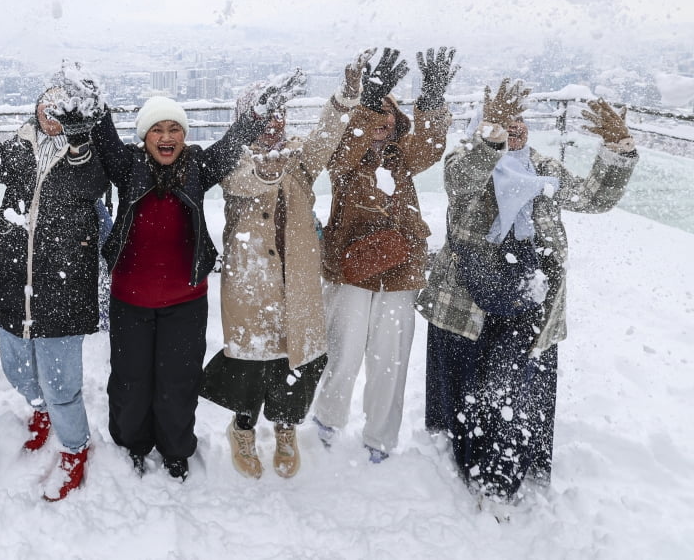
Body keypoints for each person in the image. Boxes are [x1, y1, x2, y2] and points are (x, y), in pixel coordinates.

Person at [70, 65, 305, 481]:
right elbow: (103, 141)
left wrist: (256, 117)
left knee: (177, 383)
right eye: (156, 129)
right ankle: (132, 444)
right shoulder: (128, 167)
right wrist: (97, 109)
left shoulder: (198, 167)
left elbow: (232, 144)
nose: (166, 137)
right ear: (144, 137)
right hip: (131, 300)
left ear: (184, 136)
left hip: (185, 303)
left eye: (174, 129)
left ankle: (176, 448)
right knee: (130, 381)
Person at [417, 80, 636, 511]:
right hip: (469, 302)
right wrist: (491, 138)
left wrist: (618, 149)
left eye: (519, 120)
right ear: (484, 122)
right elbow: (461, 181)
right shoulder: (466, 159)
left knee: (517, 392)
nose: (513, 128)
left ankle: (507, 476)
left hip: (530, 300)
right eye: (502, 119)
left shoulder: (543, 168)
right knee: (468, 391)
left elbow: (593, 198)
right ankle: (463, 466)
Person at [200, 52, 367, 479]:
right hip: (252, 287)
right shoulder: (232, 160)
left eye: (280, 114)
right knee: (249, 368)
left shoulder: (298, 159)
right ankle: (242, 426)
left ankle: (287, 427)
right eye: (265, 115)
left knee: (296, 366)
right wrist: (266, 170)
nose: (275, 123)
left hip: (298, 284)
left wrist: (346, 98)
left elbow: (326, 138)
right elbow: (245, 182)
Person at [0, 76, 109, 501]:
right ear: (36, 109)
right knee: (17, 369)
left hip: (63, 288)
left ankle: (74, 447)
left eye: (61, 105)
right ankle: (40, 411)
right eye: (46, 103)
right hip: (11, 284)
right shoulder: (19, 148)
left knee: (61, 384)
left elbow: (92, 184)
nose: (51, 110)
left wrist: (77, 140)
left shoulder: (86, 154)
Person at [312, 47, 456, 463]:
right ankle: (327, 418)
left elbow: (428, 147)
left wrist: (429, 100)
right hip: (350, 270)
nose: (384, 122)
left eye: (390, 116)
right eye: (378, 114)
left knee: (389, 361)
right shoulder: (346, 158)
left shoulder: (402, 159)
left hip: (400, 269)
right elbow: (339, 157)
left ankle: (380, 437)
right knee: (343, 350)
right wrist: (369, 103)